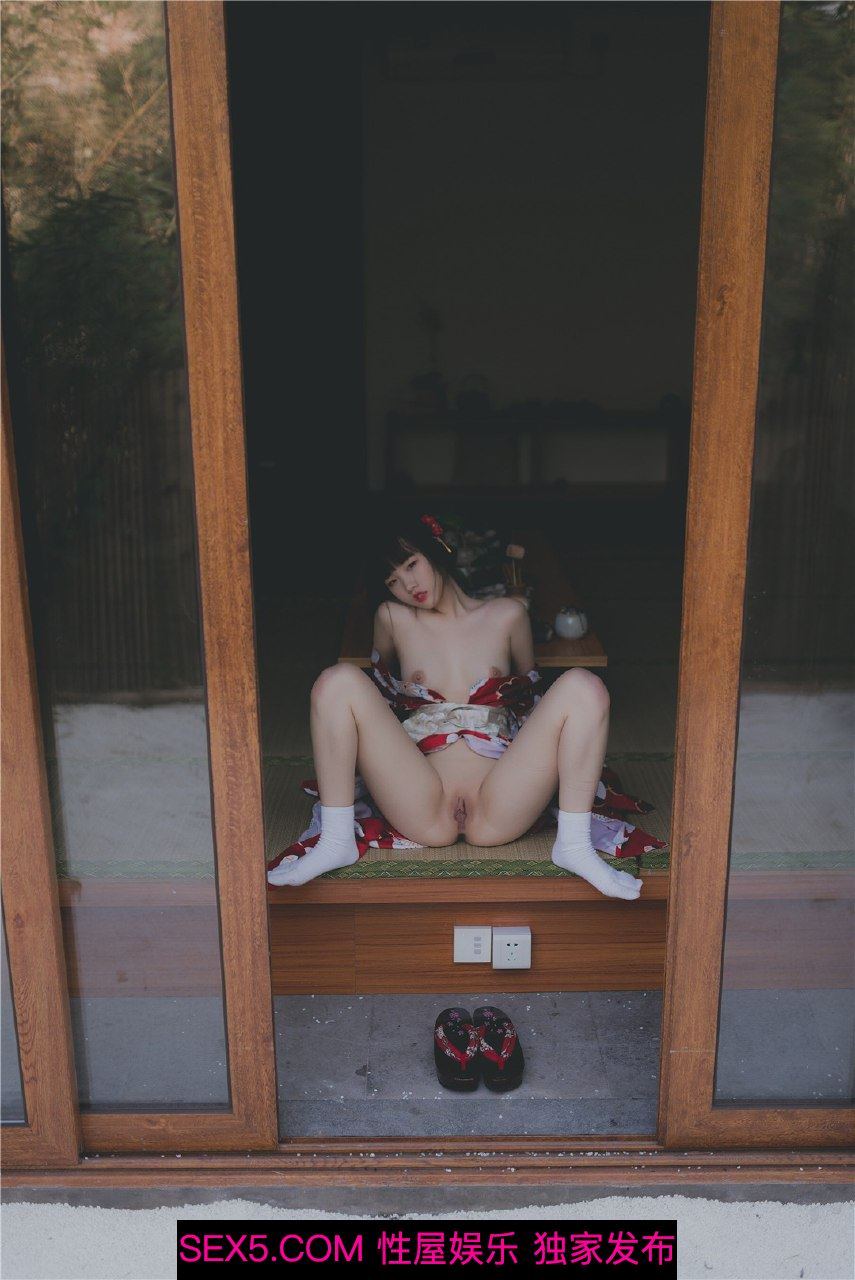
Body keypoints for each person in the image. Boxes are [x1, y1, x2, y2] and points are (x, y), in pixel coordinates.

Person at [268, 515, 643, 899]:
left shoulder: (508, 614)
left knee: (585, 686)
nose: (409, 585)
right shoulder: (393, 618)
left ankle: (574, 845)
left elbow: (529, 698)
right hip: (421, 800)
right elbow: (380, 695)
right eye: (393, 581)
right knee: (336, 681)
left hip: (500, 800)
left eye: (411, 565)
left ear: (438, 551)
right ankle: (335, 840)